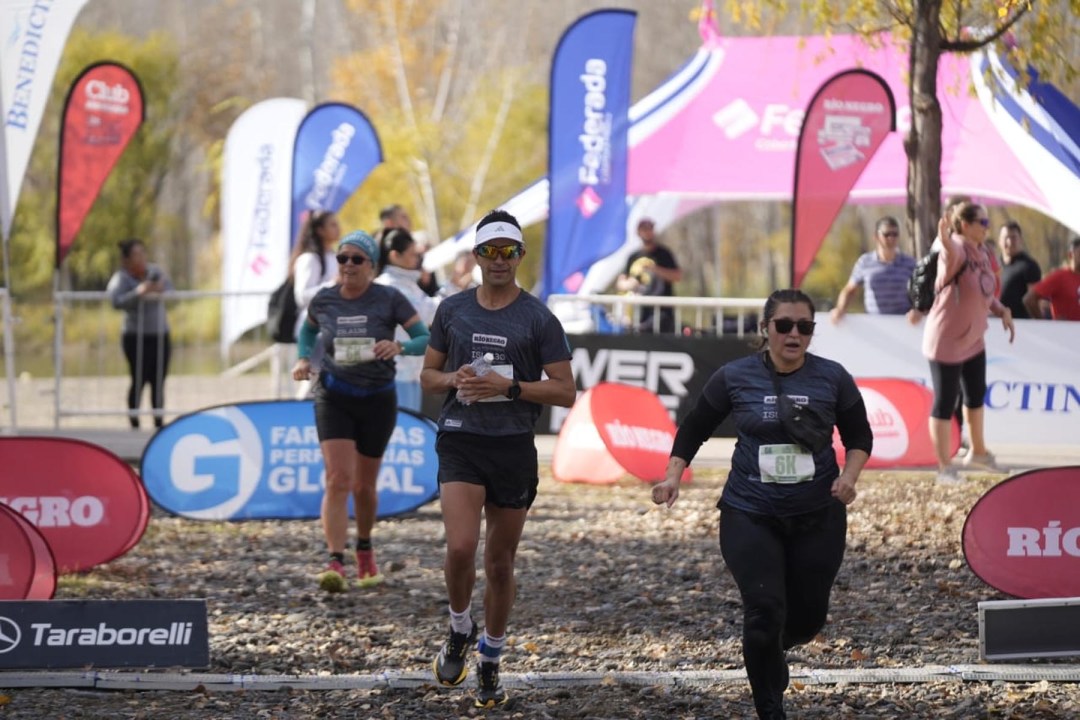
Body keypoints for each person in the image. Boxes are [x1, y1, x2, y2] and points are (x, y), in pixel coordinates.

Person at [652, 288, 872, 720]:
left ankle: (772, 649)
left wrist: (849, 478)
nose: (794, 334)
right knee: (763, 610)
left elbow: (859, 436)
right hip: (749, 511)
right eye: (784, 325)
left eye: (804, 327)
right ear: (765, 328)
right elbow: (695, 426)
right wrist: (673, 476)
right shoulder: (735, 376)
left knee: (808, 619)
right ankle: (769, 707)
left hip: (817, 514)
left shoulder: (832, 377)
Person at [420, 209, 576, 709]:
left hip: (512, 445)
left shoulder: (538, 318)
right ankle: (458, 627)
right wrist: (455, 379)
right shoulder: (453, 310)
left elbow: (566, 391)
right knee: (461, 547)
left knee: (500, 564)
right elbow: (428, 376)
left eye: (508, 251)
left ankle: (490, 656)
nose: (499, 260)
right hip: (461, 439)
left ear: (520, 255)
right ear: (477, 256)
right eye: (490, 251)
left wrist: (509, 387)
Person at [291, 230, 430, 592]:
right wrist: (304, 358)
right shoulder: (324, 299)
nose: (348, 265)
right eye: (342, 258)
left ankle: (365, 549)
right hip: (334, 395)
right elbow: (307, 333)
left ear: (371, 265)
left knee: (364, 486)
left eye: (356, 259)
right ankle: (335, 560)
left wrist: (399, 347)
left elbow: (425, 338)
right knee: (338, 479)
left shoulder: (389, 298)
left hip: (377, 399)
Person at [922, 202, 1015, 483]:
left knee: (975, 396)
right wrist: (945, 236)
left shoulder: (983, 252)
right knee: (945, 402)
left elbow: (985, 292)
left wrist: (1001, 310)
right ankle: (944, 468)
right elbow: (949, 249)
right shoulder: (957, 248)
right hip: (946, 340)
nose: (987, 227)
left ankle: (978, 453)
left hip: (974, 339)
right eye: (982, 223)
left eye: (987, 222)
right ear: (965, 225)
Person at [106, 238, 173, 429]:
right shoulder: (121, 278)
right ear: (126, 259)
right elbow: (116, 301)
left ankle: (158, 422)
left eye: (143, 253)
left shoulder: (154, 272)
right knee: (139, 379)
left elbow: (171, 291)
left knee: (158, 380)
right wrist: (139, 292)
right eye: (136, 254)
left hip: (159, 334)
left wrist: (160, 289)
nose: (141, 257)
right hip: (135, 336)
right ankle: (134, 421)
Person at [375, 227, 440, 412]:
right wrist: (453, 287)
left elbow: (432, 310)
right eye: (412, 254)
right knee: (396, 425)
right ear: (395, 256)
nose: (417, 259)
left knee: (410, 422)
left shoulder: (409, 285)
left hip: (411, 372)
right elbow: (429, 312)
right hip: (393, 374)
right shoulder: (387, 286)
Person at [830, 216, 916, 322]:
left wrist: (918, 311)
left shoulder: (910, 263)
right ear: (876, 236)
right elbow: (850, 290)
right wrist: (840, 309)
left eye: (895, 234)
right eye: (887, 234)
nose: (891, 238)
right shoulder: (864, 262)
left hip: (903, 324)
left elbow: (921, 293)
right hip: (874, 324)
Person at [615, 218, 682, 333]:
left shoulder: (664, 254)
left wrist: (655, 269)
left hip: (662, 312)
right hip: (638, 311)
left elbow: (677, 276)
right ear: (638, 232)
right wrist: (631, 283)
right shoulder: (633, 256)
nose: (647, 232)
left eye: (650, 229)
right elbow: (621, 283)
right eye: (644, 229)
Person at [1023, 236, 1080, 321]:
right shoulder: (1060, 277)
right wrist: (1044, 325)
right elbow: (1029, 299)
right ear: (1070, 255)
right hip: (1064, 329)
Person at [998, 221, 1041, 319]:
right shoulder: (993, 265)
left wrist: (1039, 322)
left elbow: (1035, 300)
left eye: (1013, 238)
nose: (1009, 242)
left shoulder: (1029, 266)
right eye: (1006, 238)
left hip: (1021, 324)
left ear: (1021, 239)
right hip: (995, 322)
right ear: (999, 241)